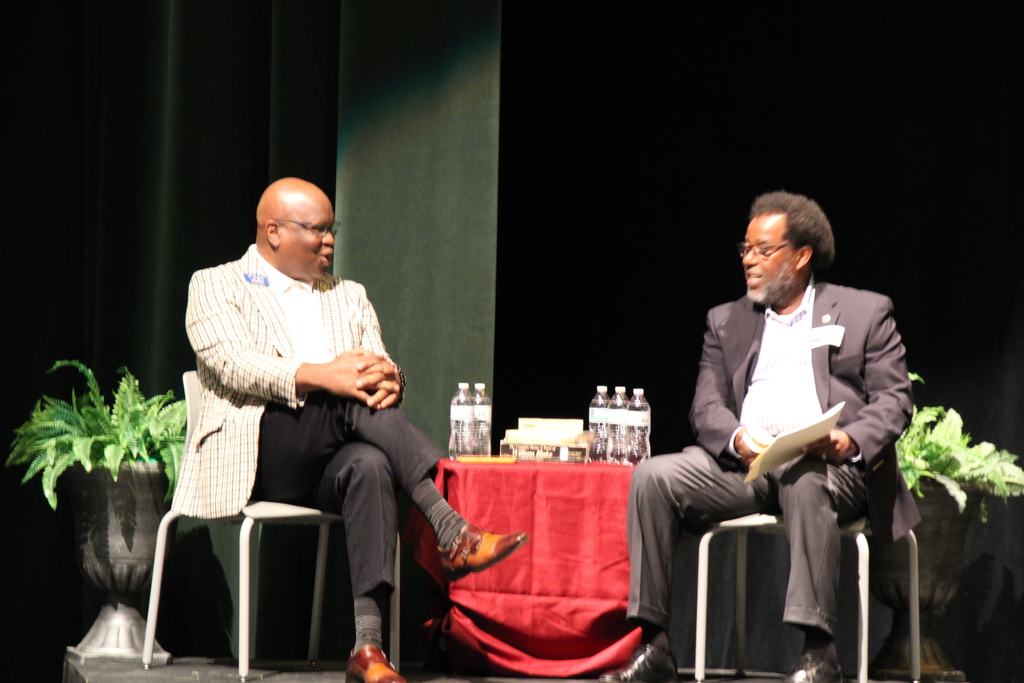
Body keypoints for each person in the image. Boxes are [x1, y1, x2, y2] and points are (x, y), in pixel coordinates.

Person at [176, 177, 528, 683]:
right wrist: (325, 375)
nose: (329, 242)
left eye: (332, 230)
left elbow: (378, 365)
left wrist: (392, 379)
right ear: (273, 231)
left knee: (371, 463)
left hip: (333, 455)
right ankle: (450, 527)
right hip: (259, 450)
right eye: (316, 230)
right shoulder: (217, 284)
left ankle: (368, 649)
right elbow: (233, 364)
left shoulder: (348, 294)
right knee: (345, 397)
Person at [600, 191, 920, 683]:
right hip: (747, 466)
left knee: (805, 477)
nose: (749, 259)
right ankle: (655, 646)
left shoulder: (864, 312)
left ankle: (820, 655)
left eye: (763, 250)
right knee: (652, 477)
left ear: (802, 255)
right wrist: (739, 440)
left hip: (830, 468)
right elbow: (705, 407)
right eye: (745, 249)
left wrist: (847, 441)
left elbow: (895, 400)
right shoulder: (726, 321)